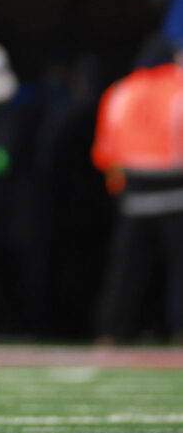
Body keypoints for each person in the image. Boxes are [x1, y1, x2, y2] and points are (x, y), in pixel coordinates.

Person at [91, 34, 183, 343]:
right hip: (176, 189)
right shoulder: (179, 85)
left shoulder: (120, 91)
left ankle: (111, 331)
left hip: (135, 192)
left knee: (125, 270)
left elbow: (104, 153)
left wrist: (120, 183)